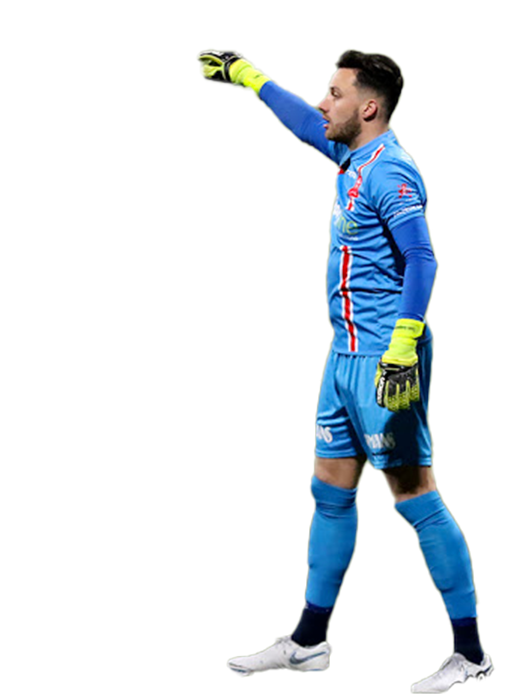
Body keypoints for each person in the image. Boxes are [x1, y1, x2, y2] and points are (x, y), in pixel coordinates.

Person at [197, 48, 493, 693]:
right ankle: (308, 642)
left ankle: (470, 654)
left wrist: (404, 342)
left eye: (335, 93)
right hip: (342, 359)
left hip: (385, 360)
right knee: (330, 491)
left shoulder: (392, 172)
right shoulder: (351, 155)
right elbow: (307, 124)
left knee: (415, 496)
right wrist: (248, 76)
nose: (324, 102)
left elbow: (422, 257)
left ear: (369, 108)